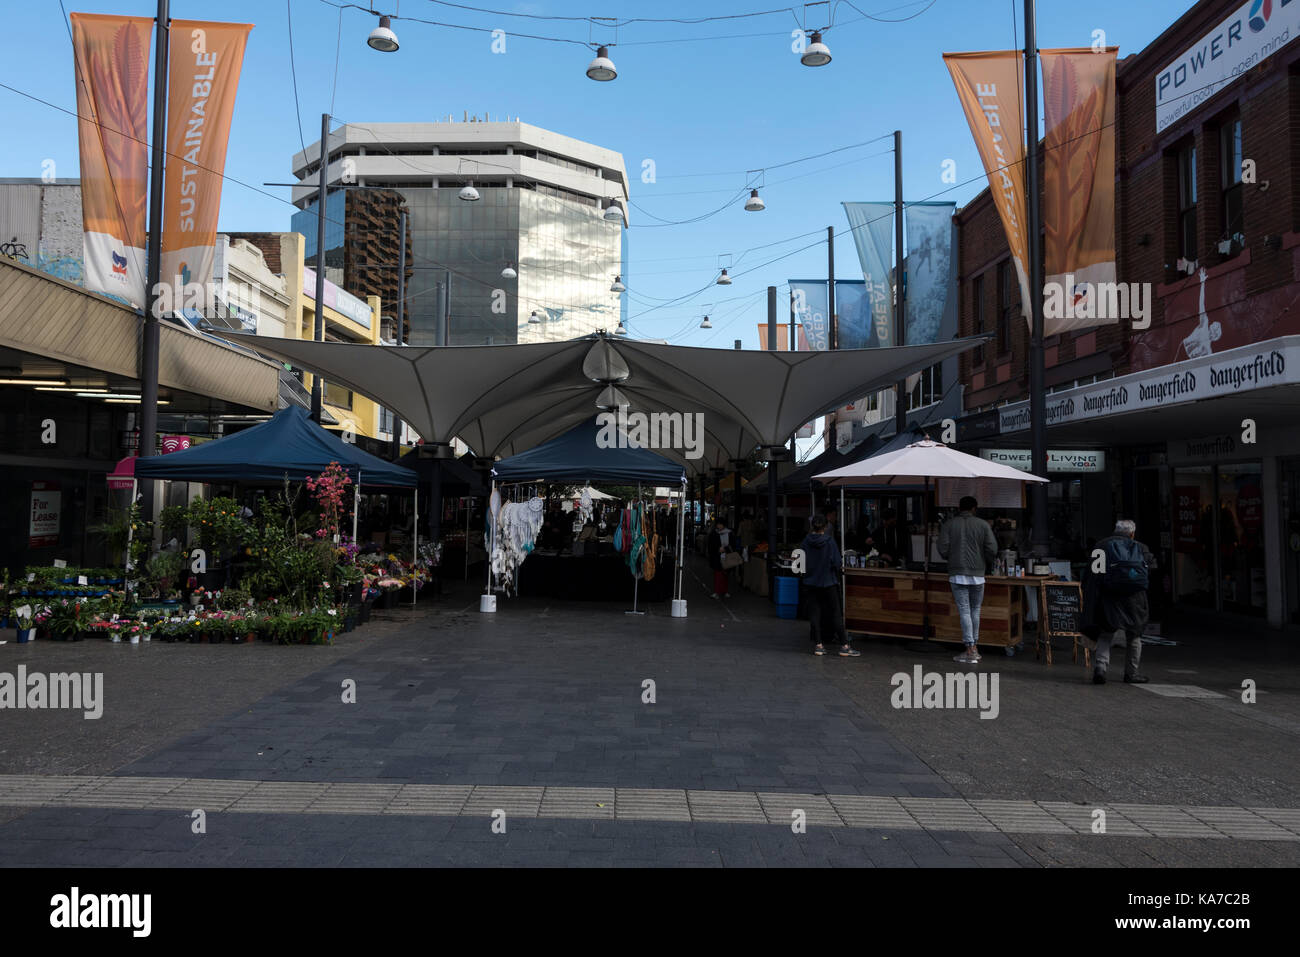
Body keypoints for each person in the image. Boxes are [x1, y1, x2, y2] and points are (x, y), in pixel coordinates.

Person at [1085, 519, 1155, 685]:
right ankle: (1131, 673)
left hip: (1108, 597)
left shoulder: (1101, 546)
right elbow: (1150, 570)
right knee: (1134, 635)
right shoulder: (1141, 547)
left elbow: (1093, 574)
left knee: (1106, 633)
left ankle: (1100, 668)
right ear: (1132, 533)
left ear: (1115, 530)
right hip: (1135, 599)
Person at [937, 496, 998, 664]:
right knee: (975, 610)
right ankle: (974, 647)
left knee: (964, 610)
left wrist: (952, 557)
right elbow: (992, 548)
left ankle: (970, 648)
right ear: (974, 508)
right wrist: (983, 560)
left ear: (959, 507)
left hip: (957, 573)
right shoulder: (983, 525)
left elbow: (942, 548)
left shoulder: (949, 525)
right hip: (978, 574)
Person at [797, 515, 860, 657]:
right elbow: (837, 562)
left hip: (810, 582)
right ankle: (844, 645)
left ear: (812, 526)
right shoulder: (830, 541)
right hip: (828, 582)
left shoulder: (806, 542)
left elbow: (800, 560)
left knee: (814, 614)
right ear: (825, 527)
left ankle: (818, 645)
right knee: (835, 613)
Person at [706, 518, 733, 599]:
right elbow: (710, 545)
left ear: (724, 525)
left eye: (721, 524)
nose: (719, 526)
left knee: (725, 575)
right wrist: (718, 549)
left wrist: (726, 549)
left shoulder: (730, 533)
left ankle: (725, 591)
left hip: (727, 557)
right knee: (718, 575)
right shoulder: (713, 534)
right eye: (718, 524)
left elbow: (733, 545)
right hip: (717, 557)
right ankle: (717, 592)